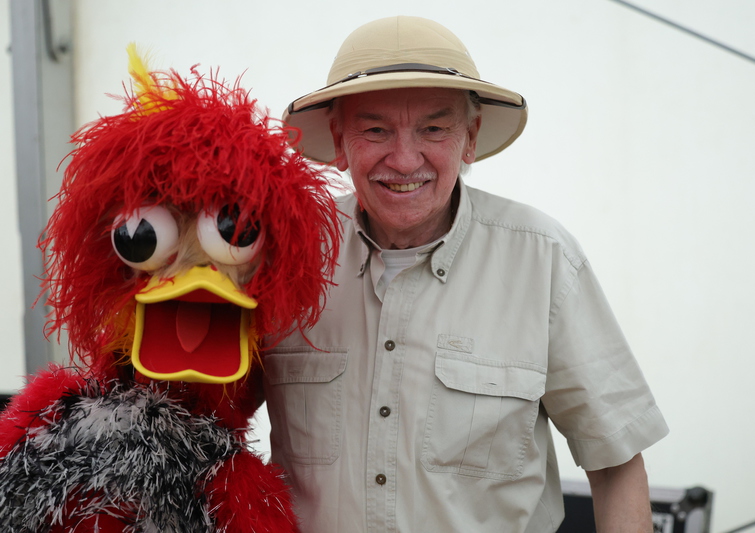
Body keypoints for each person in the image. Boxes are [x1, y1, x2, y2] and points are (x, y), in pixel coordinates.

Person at [262, 15, 669, 532]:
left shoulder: (543, 260)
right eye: (375, 130)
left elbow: (616, 463)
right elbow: (203, 415)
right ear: (340, 141)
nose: (404, 160)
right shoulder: (285, 251)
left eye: (433, 128)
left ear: (470, 138)